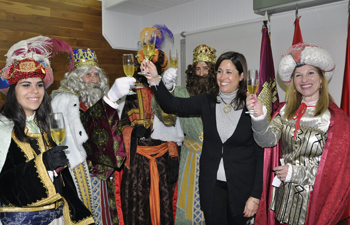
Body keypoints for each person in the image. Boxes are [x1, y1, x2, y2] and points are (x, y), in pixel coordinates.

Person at [143, 51, 264, 225]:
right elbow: (172, 104)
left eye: (229, 72)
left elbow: (259, 153)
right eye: (220, 71)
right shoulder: (207, 101)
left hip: (241, 189)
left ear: (241, 75)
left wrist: (255, 195)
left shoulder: (252, 105)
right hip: (212, 188)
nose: (223, 77)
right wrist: (155, 79)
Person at [248, 43, 350, 225]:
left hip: (314, 202)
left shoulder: (336, 119)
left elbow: (337, 172)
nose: (304, 79)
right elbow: (267, 141)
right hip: (282, 200)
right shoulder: (285, 110)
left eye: (311, 73)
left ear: (321, 79)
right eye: (298, 75)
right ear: (293, 82)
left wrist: (295, 173)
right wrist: (259, 117)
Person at [0, 36, 94, 224]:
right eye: (26, 84)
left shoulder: (45, 126)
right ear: (13, 91)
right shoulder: (2, 129)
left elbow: (64, 185)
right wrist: (43, 165)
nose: (34, 90)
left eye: (39, 84)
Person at [51, 48, 135, 225]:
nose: (94, 79)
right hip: (79, 173)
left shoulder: (96, 99)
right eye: (88, 74)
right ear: (75, 77)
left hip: (103, 173)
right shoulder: (64, 100)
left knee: (104, 214)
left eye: (96, 74)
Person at [120, 25, 181, 225]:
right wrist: (132, 132)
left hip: (163, 161)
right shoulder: (127, 95)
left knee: (164, 209)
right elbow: (116, 129)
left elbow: (174, 128)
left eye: (152, 67)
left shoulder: (167, 95)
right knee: (139, 210)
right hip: (137, 164)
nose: (147, 71)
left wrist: (173, 156)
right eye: (144, 68)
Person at [162, 44, 217, 224]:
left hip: (217, 158)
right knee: (189, 202)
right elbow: (166, 116)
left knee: (215, 202)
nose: (201, 73)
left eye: (206, 69)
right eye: (197, 69)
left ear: (213, 71)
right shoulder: (182, 93)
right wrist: (167, 88)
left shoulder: (221, 95)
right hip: (191, 157)